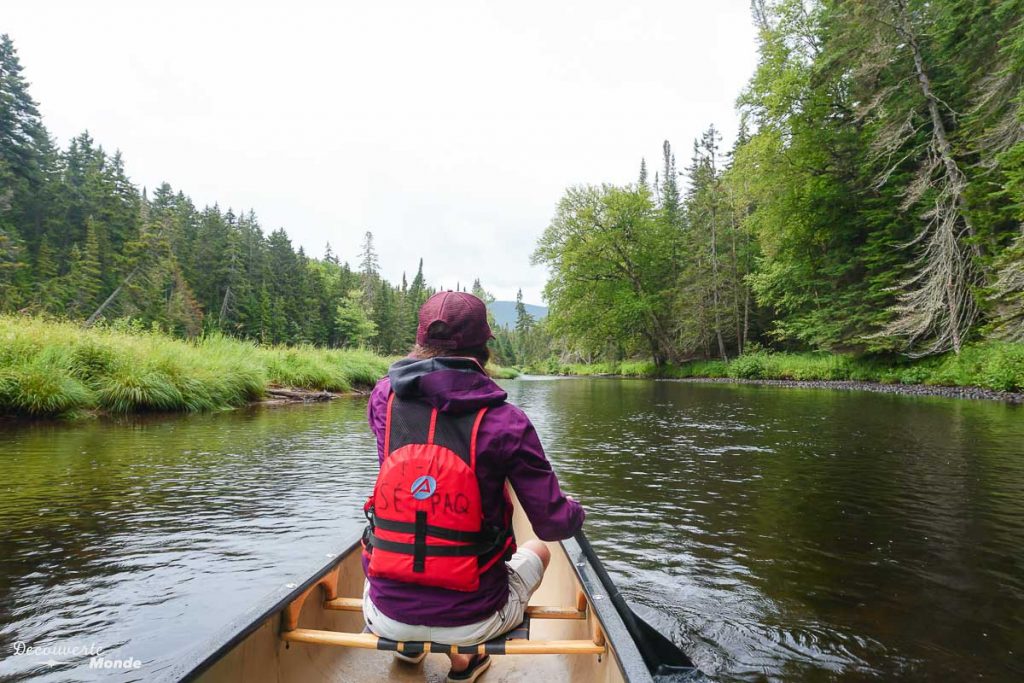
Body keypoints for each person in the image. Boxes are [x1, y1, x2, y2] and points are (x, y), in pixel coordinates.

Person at [361, 290, 584, 683]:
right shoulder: (507, 421)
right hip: (473, 619)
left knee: (387, 547)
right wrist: (573, 509)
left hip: (386, 615)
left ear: (420, 341)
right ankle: (464, 663)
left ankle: (408, 649)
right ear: (484, 349)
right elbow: (553, 525)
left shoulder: (384, 397)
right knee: (538, 549)